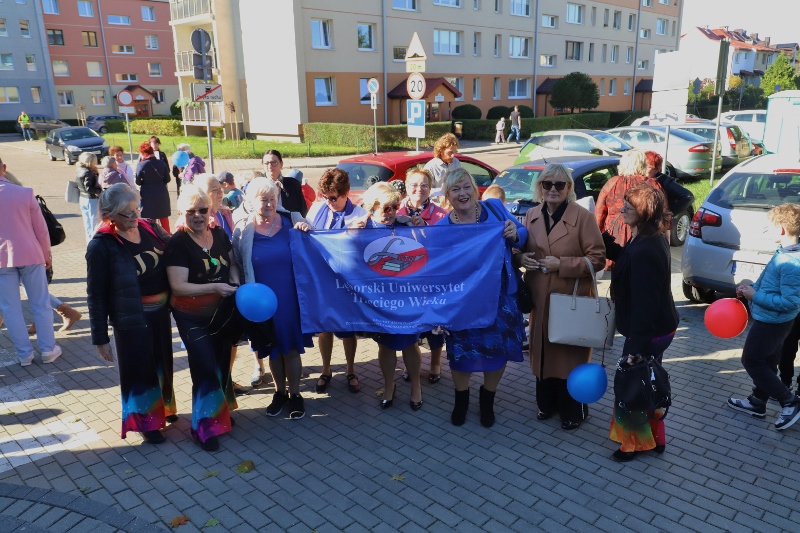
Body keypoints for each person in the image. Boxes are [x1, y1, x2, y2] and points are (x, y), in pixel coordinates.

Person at [514, 164, 606, 430]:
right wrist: (521, 258)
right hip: (540, 300)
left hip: (570, 301)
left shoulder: (583, 217)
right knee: (543, 353)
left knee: (569, 357)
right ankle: (546, 404)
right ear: (540, 187)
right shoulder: (531, 215)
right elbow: (518, 250)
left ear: (569, 188)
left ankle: (573, 410)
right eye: (547, 184)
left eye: (559, 184)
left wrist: (562, 264)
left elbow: (598, 259)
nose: (553, 189)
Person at [437, 168, 528, 427]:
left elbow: (523, 234)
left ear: (475, 189)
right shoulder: (442, 228)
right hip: (463, 302)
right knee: (461, 352)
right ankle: (461, 400)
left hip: (500, 298)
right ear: (447, 196)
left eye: (466, 186)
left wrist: (515, 233)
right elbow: (438, 271)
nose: (462, 193)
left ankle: (488, 399)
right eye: (455, 189)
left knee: (499, 350)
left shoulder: (495, 209)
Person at [86, 184, 176, 444]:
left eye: (137, 208)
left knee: (162, 363)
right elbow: (96, 295)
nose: (135, 216)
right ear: (109, 215)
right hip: (131, 320)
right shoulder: (101, 246)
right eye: (128, 213)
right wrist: (100, 338)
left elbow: (177, 248)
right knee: (140, 370)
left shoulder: (149, 227)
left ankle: (163, 409)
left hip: (160, 314)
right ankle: (147, 423)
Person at [602, 184, 679, 461]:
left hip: (648, 331)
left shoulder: (645, 248)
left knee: (633, 384)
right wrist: (605, 241)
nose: (622, 209)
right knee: (649, 381)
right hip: (658, 327)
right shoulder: (648, 237)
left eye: (629, 207)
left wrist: (635, 348)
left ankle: (632, 445)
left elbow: (645, 305)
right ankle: (657, 439)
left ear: (644, 212)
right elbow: (627, 259)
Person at [165, 185, 240, 451]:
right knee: (204, 366)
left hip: (221, 313)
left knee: (220, 364)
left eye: (202, 210)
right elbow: (178, 286)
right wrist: (215, 287)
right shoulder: (177, 243)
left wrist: (233, 281)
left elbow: (232, 263)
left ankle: (218, 414)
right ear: (181, 213)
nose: (197, 215)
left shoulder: (218, 233)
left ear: (210, 211)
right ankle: (204, 428)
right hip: (192, 318)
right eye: (191, 211)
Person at [232, 177, 312, 419]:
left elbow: (313, 245)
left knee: (291, 348)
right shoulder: (242, 229)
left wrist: (307, 228)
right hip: (260, 302)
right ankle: (280, 393)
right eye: (263, 199)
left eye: (272, 199)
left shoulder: (292, 220)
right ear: (251, 202)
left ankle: (296, 395)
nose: (268, 204)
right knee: (273, 349)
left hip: (290, 297)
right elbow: (236, 262)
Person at [350, 182, 424, 411]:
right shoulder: (361, 227)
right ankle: (389, 385)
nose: (392, 212)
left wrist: (422, 229)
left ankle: (416, 386)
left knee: (410, 342)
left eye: (395, 206)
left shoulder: (405, 225)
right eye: (386, 207)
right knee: (386, 344)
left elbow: (426, 251)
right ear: (372, 207)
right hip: (378, 299)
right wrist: (350, 234)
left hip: (406, 297)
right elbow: (344, 255)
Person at [728, 203, 800, 432]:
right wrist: (750, 289)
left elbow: (792, 302)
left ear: (782, 229)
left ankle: (789, 402)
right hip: (773, 320)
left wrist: (756, 296)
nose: (768, 231)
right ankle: (758, 401)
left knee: (751, 360)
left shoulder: (791, 263)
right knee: (768, 361)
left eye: (771, 226)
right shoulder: (783, 253)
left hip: (773, 322)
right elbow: (767, 282)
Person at [298, 168, 367, 394]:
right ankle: (326, 370)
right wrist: (304, 227)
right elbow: (307, 237)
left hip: (346, 281)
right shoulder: (318, 208)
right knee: (324, 326)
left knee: (348, 327)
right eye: (325, 196)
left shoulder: (359, 214)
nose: (329, 202)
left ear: (346, 193)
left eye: (334, 198)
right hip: (321, 279)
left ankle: (350, 370)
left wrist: (360, 234)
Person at [0, 156, 62, 366]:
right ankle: (48, 350)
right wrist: (47, 255)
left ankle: (24, 354)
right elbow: (41, 229)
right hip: (30, 253)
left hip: (1, 260)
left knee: (10, 309)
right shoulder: (25, 193)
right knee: (40, 303)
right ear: (4, 168)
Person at [396, 168, 448, 383]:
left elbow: (448, 247)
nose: (419, 189)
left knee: (434, 327)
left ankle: (435, 364)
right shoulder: (395, 211)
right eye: (414, 185)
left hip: (432, 281)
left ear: (430, 188)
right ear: (407, 187)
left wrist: (427, 229)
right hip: (405, 282)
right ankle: (410, 365)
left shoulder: (441, 215)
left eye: (424, 185)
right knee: (409, 326)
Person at [595, 149, 664, 272]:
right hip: (641, 236)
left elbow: (599, 214)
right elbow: (663, 213)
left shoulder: (612, 182)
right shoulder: (652, 184)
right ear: (642, 164)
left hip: (615, 236)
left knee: (618, 272)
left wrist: (597, 238)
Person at [644, 151, 694, 220]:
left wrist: (670, 212)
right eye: (642, 166)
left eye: (647, 167)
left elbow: (688, 196)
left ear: (656, 169)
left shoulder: (665, 181)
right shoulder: (637, 179)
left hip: (658, 223)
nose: (643, 170)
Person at [136, 141, 172, 233]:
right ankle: (168, 238)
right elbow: (168, 179)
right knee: (164, 218)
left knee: (151, 220)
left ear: (143, 154)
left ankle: (154, 238)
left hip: (147, 195)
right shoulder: (161, 163)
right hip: (161, 193)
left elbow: (138, 182)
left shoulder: (141, 165)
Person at [262, 150, 308, 217]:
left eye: (274, 162)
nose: (270, 166)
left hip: (290, 222)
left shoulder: (293, 184)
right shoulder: (257, 185)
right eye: (266, 163)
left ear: (281, 164)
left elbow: (303, 211)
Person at [193, 174, 234, 240]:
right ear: (202, 194)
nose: (220, 192)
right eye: (214, 189)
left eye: (220, 188)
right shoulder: (202, 218)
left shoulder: (226, 212)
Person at [75, 152, 102, 243]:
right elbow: (89, 188)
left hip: (82, 198)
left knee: (87, 224)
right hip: (91, 199)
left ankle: (89, 243)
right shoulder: (88, 172)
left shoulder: (79, 170)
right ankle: (95, 243)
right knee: (95, 223)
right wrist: (100, 191)